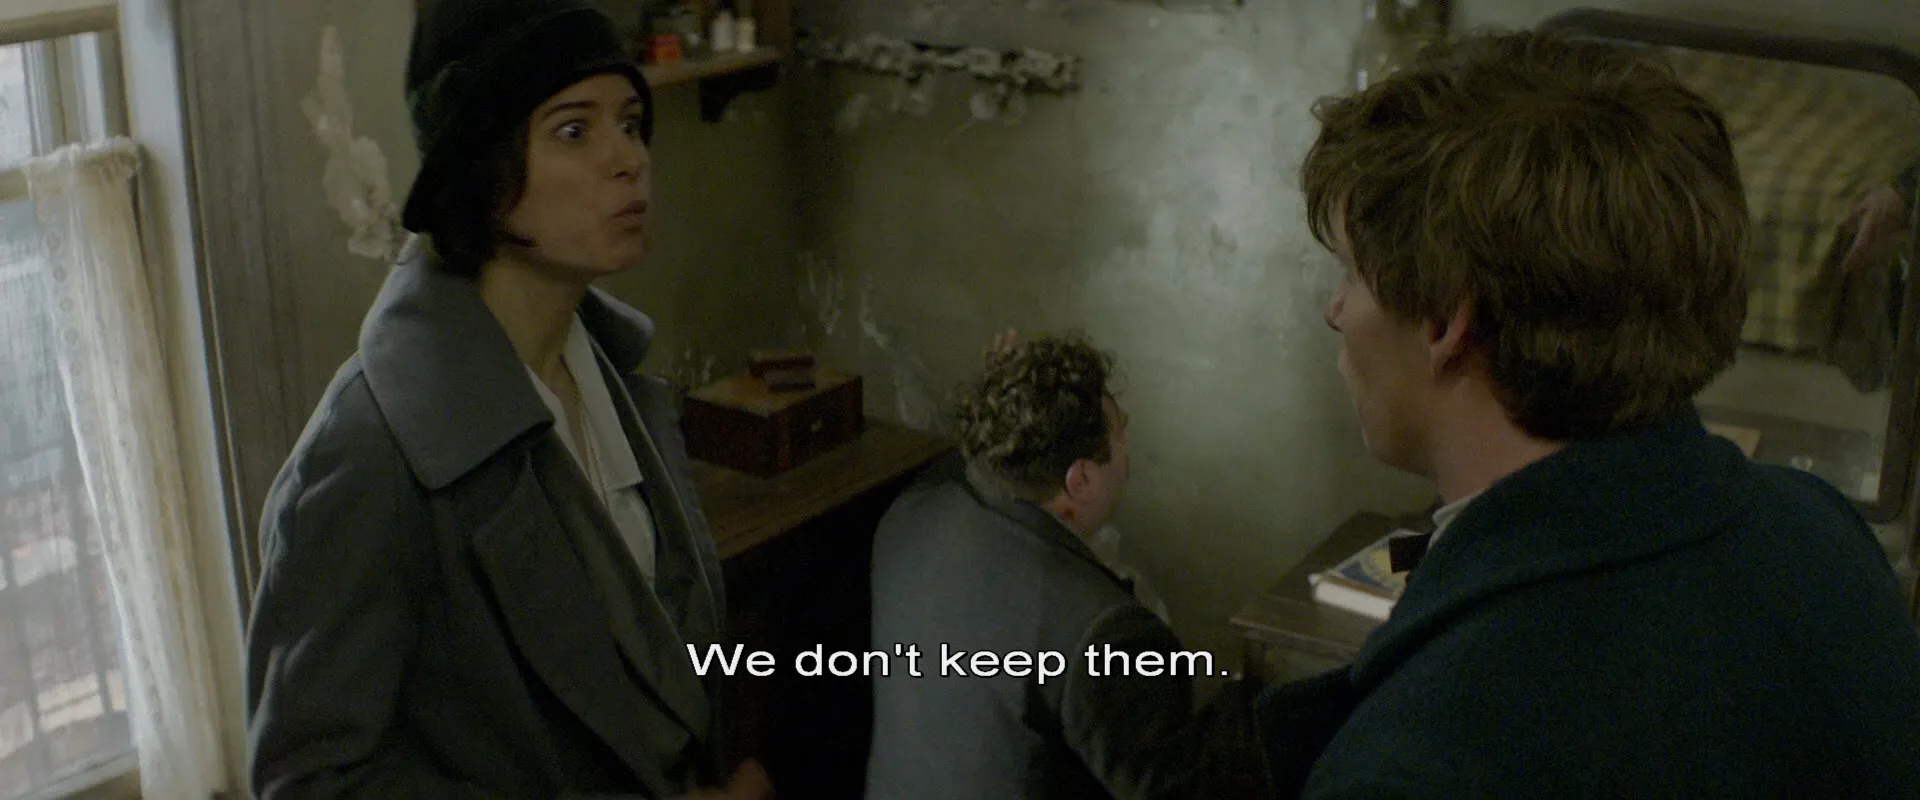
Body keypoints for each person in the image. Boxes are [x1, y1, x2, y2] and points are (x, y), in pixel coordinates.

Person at [1253, 29, 1920, 798]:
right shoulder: (1816, 524)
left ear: (1442, 322)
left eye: (1350, 274)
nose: (1336, 312)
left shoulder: (1422, 757)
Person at [242, 1, 770, 797]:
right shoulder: (370, 454)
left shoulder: (607, 369)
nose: (628, 159)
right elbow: (309, 782)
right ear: (482, 174)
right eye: (573, 130)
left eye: (630, 123)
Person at [865, 332, 1271, 799]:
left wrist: (1004, 395)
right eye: (1120, 438)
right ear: (1080, 480)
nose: (1127, 457)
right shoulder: (1105, 632)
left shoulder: (910, 516)